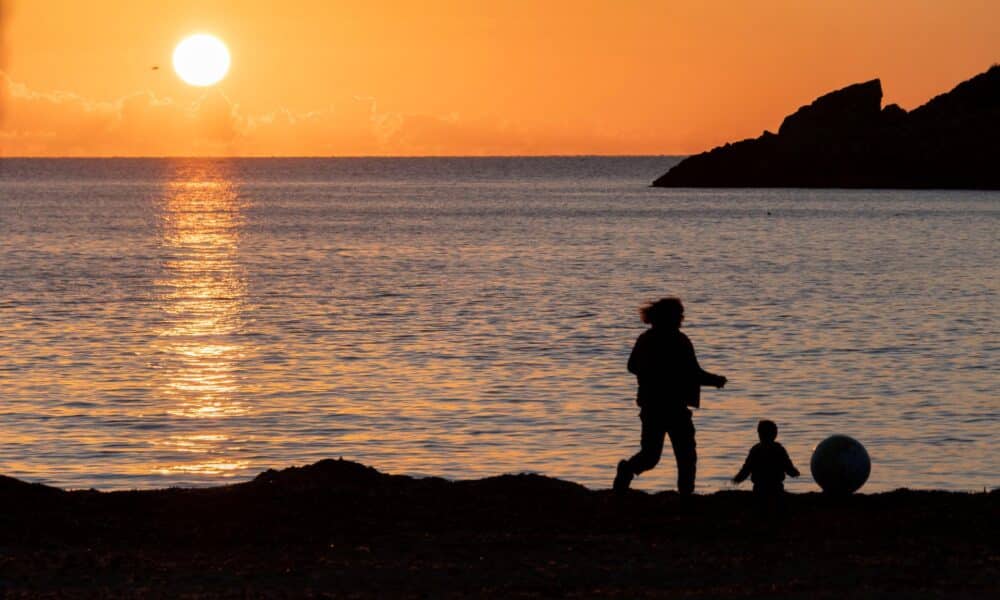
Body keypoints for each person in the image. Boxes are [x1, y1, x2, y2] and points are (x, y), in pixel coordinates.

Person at [613, 297, 727, 495]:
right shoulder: (678, 340)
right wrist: (715, 380)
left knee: (653, 455)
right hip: (672, 407)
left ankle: (628, 470)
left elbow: (632, 366)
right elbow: (693, 373)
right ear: (670, 316)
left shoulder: (647, 339)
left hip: (653, 406)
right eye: (679, 314)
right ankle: (685, 494)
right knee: (684, 456)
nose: (682, 318)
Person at [732, 419, 800, 495]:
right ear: (774, 434)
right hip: (776, 488)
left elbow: (746, 469)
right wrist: (795, 473)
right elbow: (789, 469)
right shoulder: (779, 449)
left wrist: (737, 479)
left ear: (759, 434)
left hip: (759, 489)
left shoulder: (756, 449)